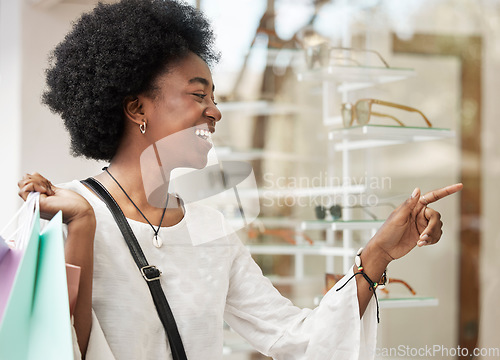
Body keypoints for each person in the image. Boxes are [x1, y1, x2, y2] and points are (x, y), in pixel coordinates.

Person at [17, 0, 462, 359]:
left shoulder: (212, 232)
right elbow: (49, 347)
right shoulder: (64, 211)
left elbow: (298, 339)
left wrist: (378, 253)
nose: (215, 111)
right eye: (197, 95)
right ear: (137, 110)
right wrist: (82, 228)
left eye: (214, 96)